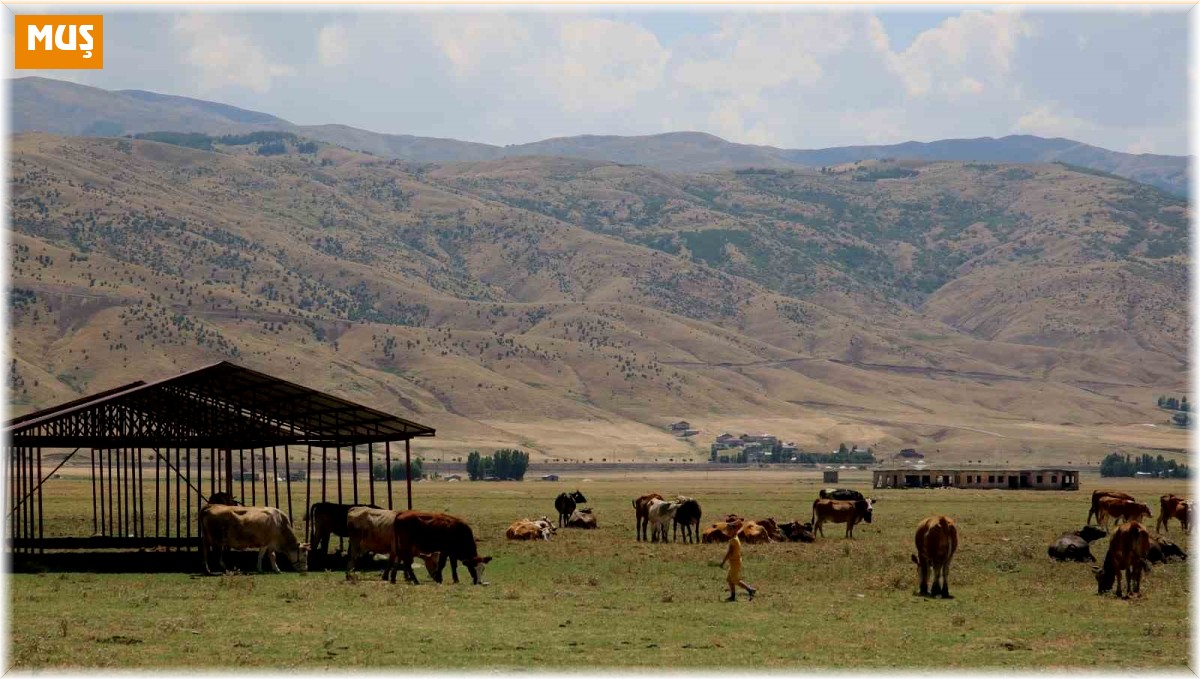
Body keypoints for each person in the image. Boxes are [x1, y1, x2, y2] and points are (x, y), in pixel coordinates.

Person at [719, 520, 757, 602]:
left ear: (734, 530)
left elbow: (729, 553)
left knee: (735, 580)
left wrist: (723, 562)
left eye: (729, 530)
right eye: (727, 530)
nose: (728, 531)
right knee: (729, 580)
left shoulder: (733, 540)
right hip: (734, 562)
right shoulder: (735, 538)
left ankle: (750, 590)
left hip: (735, 562)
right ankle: (732, 596)